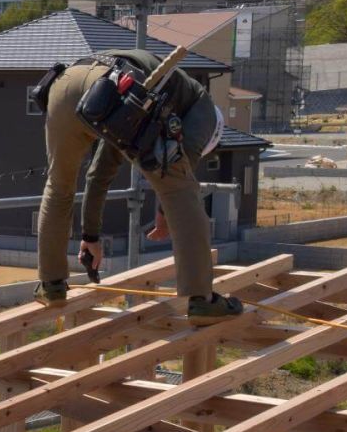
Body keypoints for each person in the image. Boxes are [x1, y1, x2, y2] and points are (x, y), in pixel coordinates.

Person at [32, 48, 243, 324]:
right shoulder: (201, 110)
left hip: (68, 82)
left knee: (58, 187)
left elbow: (99, 173)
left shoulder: (154, 108)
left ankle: (51, 286)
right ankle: (202, 300)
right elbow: (177, 179)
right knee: (183, 192)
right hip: (117, 85)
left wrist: (91, 236)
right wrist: (165, 213)